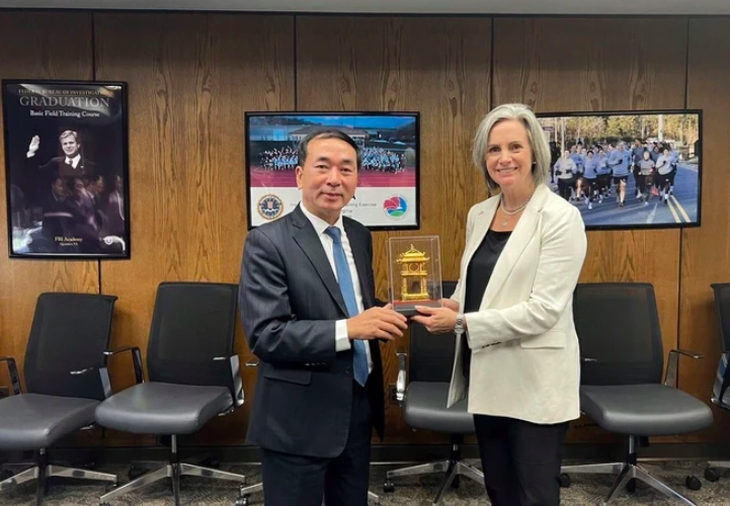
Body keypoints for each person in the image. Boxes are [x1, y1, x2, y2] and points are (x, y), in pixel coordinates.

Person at [412, 103, 587, 506]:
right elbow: (475, 289)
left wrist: (461, 324)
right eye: (493, 149)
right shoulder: (480, 213)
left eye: (514, 147)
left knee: (536, 494)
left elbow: (544, 310)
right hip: (489, 374)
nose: (503, 158)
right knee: (500, 490)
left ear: (535, 154)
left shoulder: (561, 217)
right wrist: (439, 305)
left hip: (535, 379)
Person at [239, 128, 408, 506]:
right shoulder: (267, 242)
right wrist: (350, 329)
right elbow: (267, 335)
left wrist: (405, 310)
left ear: (357, 180)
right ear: (299, 176)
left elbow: (353, 303)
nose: (335, 179)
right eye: (323, 167)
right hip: (296, 418)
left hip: (356, 407)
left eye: (346, 169)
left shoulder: (359, 234)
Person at [27, 130, 97, 178]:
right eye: (65, 144)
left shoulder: (90, 165)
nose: (68, 146)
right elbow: (35, 173)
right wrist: (31, 152)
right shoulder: (55, 163)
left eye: (71, 143)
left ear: (78, 144)